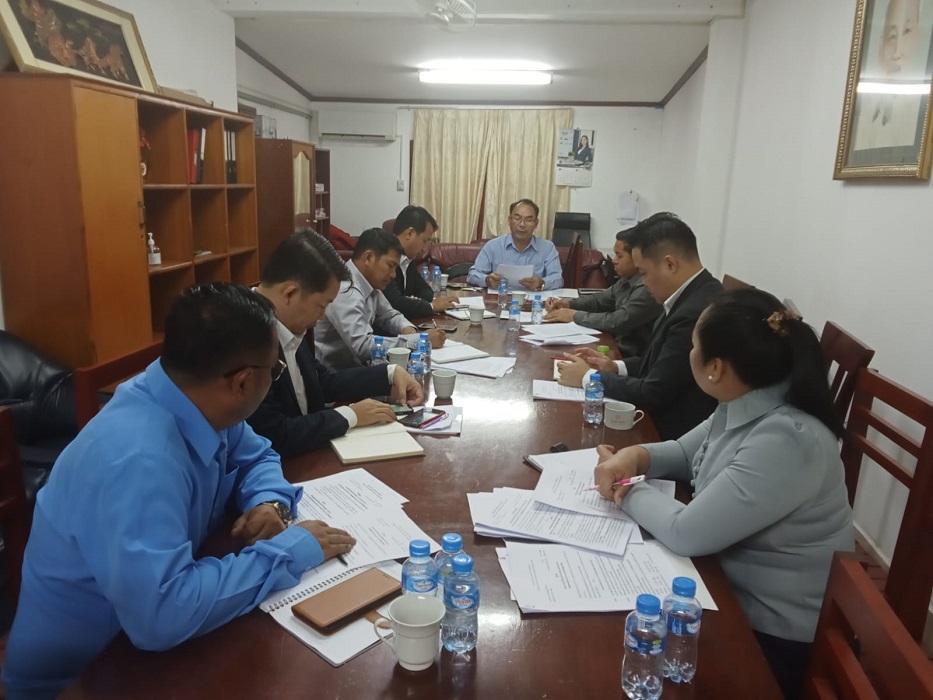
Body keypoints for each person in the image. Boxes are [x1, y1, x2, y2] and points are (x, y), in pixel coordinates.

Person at [2, 283, 356, 697]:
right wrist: (289, 552)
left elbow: (258, 454)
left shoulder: (195, 397)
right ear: (242, 383)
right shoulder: (138, 459)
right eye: (274, 370)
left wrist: (269, 502)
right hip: (82, 676)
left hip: (146, 643)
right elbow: (163, 614)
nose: (274, 375)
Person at [592, 289, 853, 699]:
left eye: (694, 345)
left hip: (773, 632)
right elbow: (685, 453)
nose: (690, 352)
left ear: (715, 368)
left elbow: (685, 533)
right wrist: (636, 457)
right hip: (725, 582)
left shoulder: (787, 439)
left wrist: (625, 489)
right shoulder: (747, 396)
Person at [248, 230, 424, 458]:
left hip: (313, 452)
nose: (322, 317)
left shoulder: (285, 321)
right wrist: (351, 415)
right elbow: (276, 434)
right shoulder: (247, 337)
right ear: (290, 294)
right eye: (322, 306)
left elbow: (321, 381)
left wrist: (389, 373)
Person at [557, 212, 722, 440]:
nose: (643, 283)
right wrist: (614, 367)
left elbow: (654, 392)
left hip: (670, 432)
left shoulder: (696, 312)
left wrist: (589, 377)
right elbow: (660, 363)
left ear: (670, 264)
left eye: (644, 273)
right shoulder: (690, 294)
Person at [314, 228, 445, 369]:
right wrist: (418, 341)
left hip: (356, 367)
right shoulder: (345, 289)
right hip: (333, 373)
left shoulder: (369, 284)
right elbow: (363, 346)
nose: (393, 275)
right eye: (390, 266)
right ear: (368, 258)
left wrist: (408, 329)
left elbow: (390, 315)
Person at [544, 227, 661, 357]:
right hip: (615, 347)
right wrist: (568, 304)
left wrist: (574, 316)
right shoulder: (627, 279)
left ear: (636, 257)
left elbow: (618, 321)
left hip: (630, 357)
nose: (614, 260)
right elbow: (599, 300)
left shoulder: (647, 287)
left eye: (619, 256)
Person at [852, 0, 924, 151]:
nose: (896, 53)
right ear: (880, 45)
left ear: (918, 38)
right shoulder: (860, 115)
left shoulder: (919, 117)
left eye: (907, 31)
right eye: (892, 36)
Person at [466, 199, 563, 292]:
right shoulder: (493, 246)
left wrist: (542, 283)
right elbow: (472, 275)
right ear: (509, 220)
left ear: (536, 223)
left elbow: (558, 279)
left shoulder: (547, 248)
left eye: (529, 220)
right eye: (517, 218)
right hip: (500, 298)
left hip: (534, 300)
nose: (522, 224)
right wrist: (487, 280)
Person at [384, 205, 457, 318]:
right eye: (424, 241)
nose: (425, 248)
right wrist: (431, 307)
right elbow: (395, 303)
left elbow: (425, 290)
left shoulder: (407, 260)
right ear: (409, 234)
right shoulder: (385, 258)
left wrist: (412, 302)